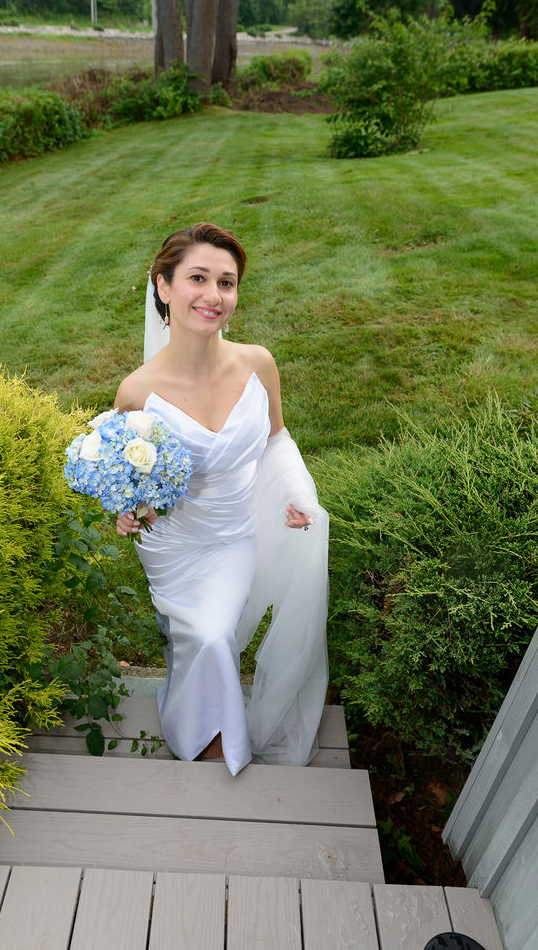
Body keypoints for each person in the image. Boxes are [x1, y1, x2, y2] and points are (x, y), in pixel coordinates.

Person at [115, 223, 329, 776]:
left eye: (227, 282)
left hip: (234, 533)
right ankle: (201, 733)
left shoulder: (257, 364)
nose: (214, 295)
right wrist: (131, 509)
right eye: (197, 278)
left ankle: (207, 737)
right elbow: (131, 476)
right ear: (163, 287)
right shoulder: (138, 392)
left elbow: (276, 439)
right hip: (173, 543)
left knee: (213, 635)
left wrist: (299, 492)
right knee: (200, 637)